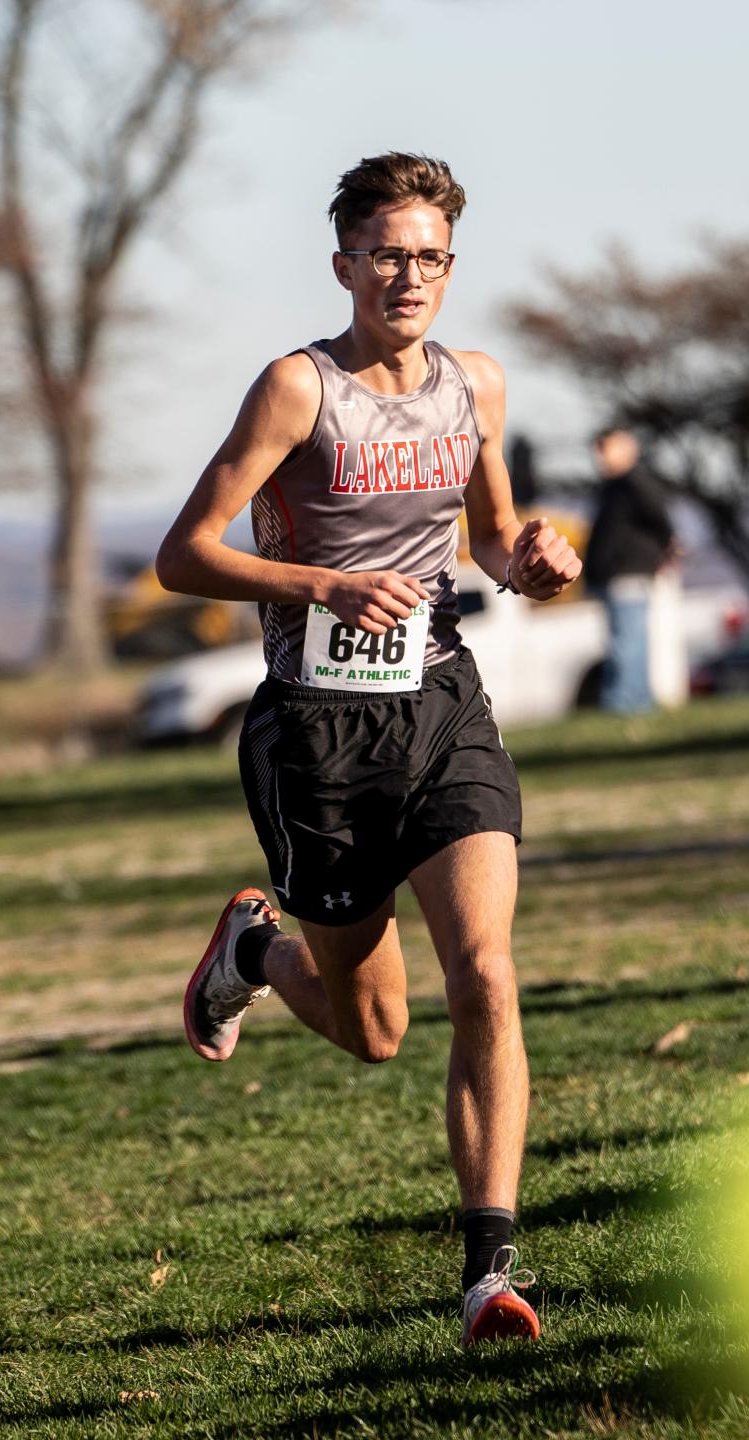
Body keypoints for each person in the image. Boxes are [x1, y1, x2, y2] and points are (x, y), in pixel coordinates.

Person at [156, 153, 582, 1345]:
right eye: (387, 253)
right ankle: (255, 950)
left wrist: (538, 567)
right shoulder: (298, 390)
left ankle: (490, 1273)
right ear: (344, 262)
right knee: (374, 1030)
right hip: (318, 734)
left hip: (442, 704)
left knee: (487, 975)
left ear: (452, 265)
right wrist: (320, 583)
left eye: (430, 255)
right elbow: (184, 555)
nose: (409, 275)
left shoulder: (476, 384)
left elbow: (495, 538)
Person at [583, 428, 676, 713]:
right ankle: (637, 700)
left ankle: (625, 703)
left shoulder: (634, 483)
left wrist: (662, 551)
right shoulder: (612, 487)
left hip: (628, 572)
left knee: (627, 642)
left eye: (606, 448)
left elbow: (661, 522)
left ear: (627, 449)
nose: (601, 456)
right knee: (626, 639)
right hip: (615, 574)